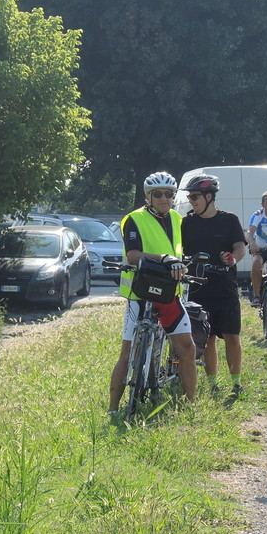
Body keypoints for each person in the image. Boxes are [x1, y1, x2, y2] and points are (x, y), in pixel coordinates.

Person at [107, 171, 197, 415]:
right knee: (126, 354)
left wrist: (183, 263)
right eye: (158, 194)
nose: (164, 199)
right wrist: (164, 259)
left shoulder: (178, 219)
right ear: (148, 196)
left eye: (169, 194)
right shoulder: (134, 219)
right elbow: (132, 255)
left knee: (187, 349)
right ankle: (113, 410)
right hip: (140, 294)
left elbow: (181, 252)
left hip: (169, 294)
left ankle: (191, 407)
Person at [181, 173, 248, 394]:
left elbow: (240, 247)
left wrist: (232, 259)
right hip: (198, 289)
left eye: (195, 196)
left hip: (225, 288)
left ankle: (236, 383)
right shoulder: (187, 222)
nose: (192, 201)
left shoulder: (229, 219)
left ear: (209, 196)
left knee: (231, 336)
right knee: (207, 338)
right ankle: (213, 385)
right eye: (190, 197)